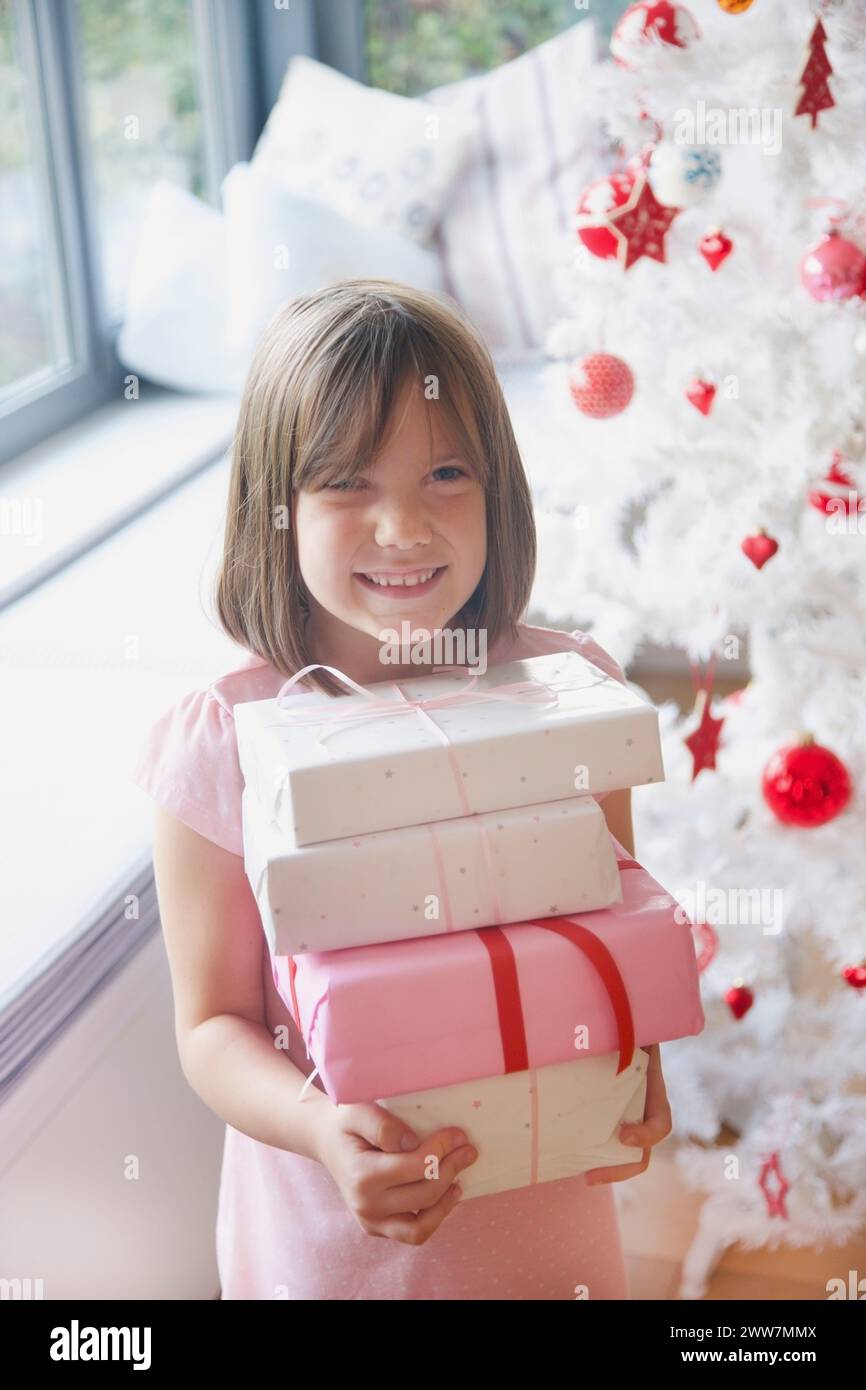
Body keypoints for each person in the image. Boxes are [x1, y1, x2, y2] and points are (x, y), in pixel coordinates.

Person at [131, 279, 672, 1300]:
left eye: (446, 473)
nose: (404, 527)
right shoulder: (223, 737)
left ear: (497, 487)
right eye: (347, 483)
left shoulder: (568, 700)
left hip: (545, 1226)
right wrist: (317, 1129)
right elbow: (211, 1024)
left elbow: (609, 940)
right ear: (274, 505)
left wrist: (637, 1073)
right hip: (334, 1238)